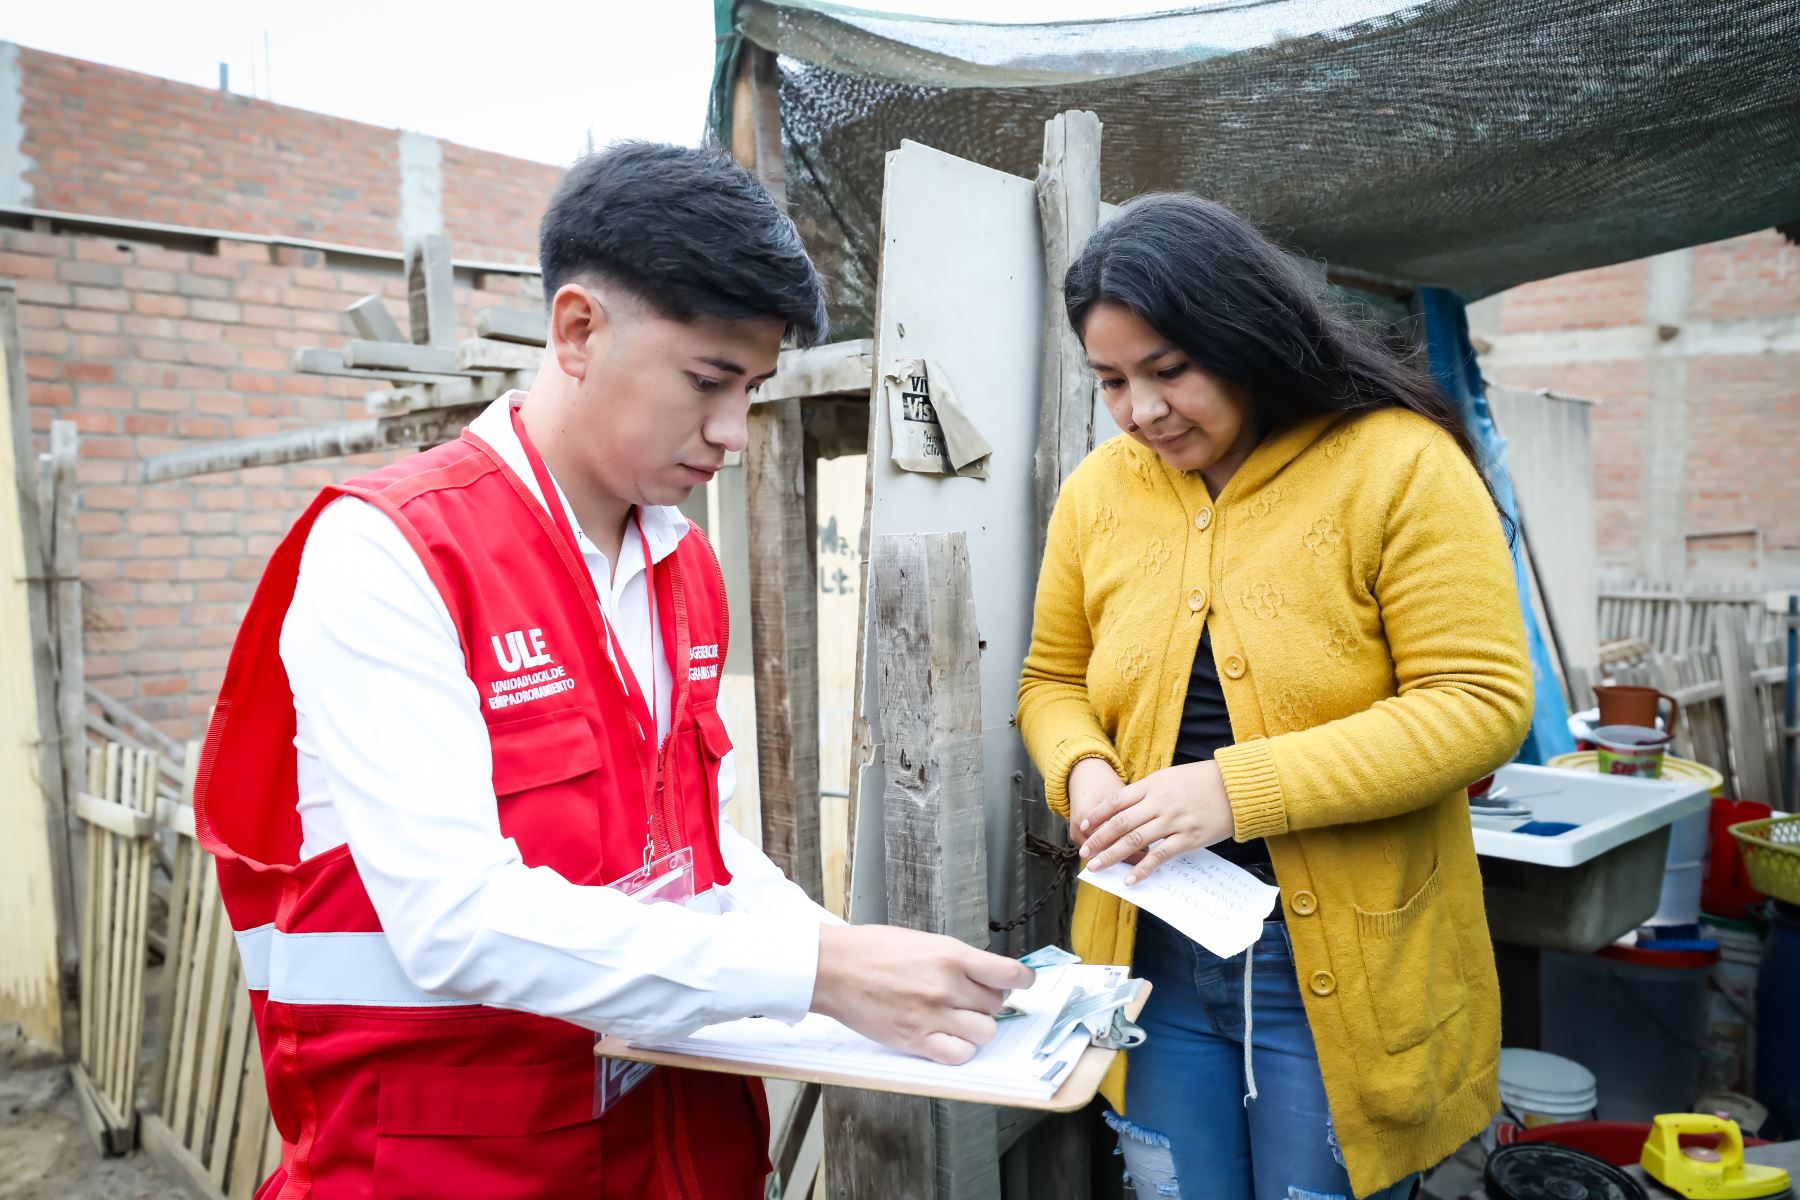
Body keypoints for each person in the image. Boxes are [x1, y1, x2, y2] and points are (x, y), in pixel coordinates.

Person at [195, 142, 1031, 1200]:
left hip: (666, 1147)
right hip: (452, 1161)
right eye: (708, 382)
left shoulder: (681, 562)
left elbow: (690, 847)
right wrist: (819, 974)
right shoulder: (391, 553)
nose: (733, 432)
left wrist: (839, 945)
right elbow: (455, 916)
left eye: (755, 387)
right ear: (579, 330)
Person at [1017, 194, 1534, 1200]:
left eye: (1171, 370)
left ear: (1248, 334)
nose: (1143, 411)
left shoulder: (1395, 464)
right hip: (1152, 941)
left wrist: (1230, 791)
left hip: (1339, 957)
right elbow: (1053, 681)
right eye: (1112, 380)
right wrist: (1081, 770)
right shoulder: (1101, 491)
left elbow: (1479, 702)